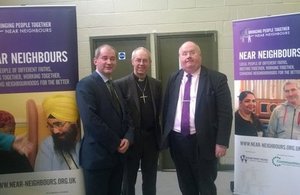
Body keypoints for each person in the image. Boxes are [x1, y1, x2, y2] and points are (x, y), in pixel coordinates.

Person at [161, 41, 233, 195]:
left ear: (200, 56)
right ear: (179, 57)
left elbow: (225, 113)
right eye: (184, 53)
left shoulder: (217, 79)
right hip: (178, 140)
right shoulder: (173, 78)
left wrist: (222, 142)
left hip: (204, 141)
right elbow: (167, 107)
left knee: (205, 183)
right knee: (185, 182)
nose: (188, 56)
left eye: (192, 52)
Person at [76, 44, 134, 195]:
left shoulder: (115, 86)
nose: (109, 62)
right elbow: (91, 120)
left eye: (112, 59)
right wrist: (116, 143)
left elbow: (126, 116)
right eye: (104, 58)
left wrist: (128, 137)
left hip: (117, 158)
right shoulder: (86, 85)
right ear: (95, 61)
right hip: (97, 159)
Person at [115, 47, 162, 195]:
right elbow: (120, 114)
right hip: (131, 139)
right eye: (138, 60)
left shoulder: (156, 84)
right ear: (132, 62)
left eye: (145, 60)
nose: (141, 63)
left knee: (150, 179)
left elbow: (160, 111)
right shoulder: (120, 84)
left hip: (151, 139)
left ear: (150, 63)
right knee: (128, 180)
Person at [34, 94, 81, 171]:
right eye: (51, 126)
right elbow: (42, 179)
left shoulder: (87, 143)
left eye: (59, 124)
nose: (55, 131)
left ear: (74, 122)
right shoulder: (48, 145)